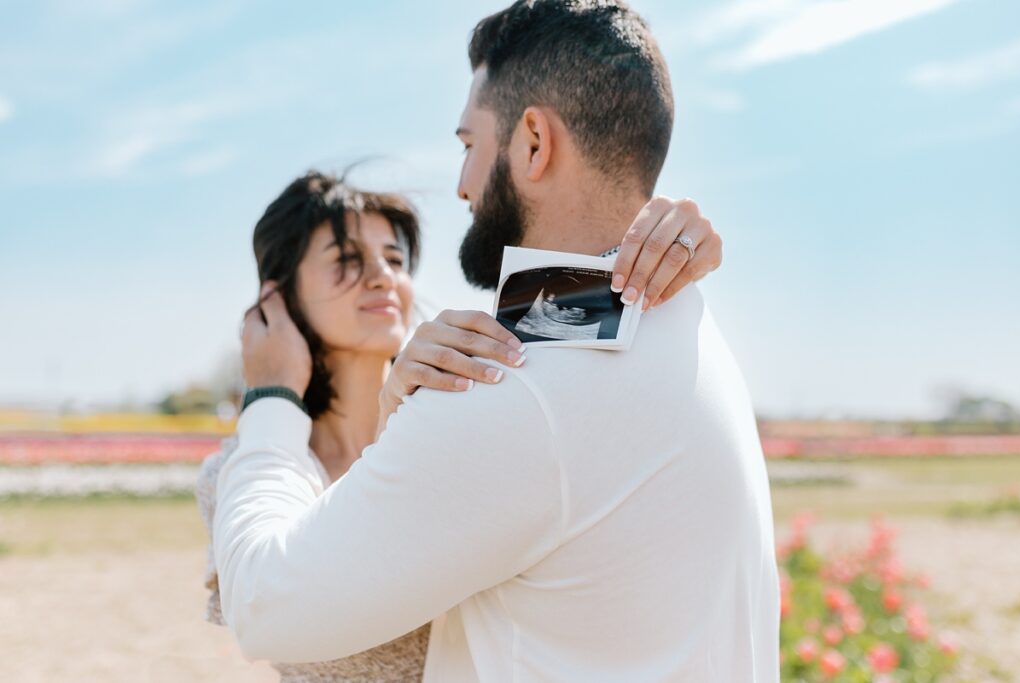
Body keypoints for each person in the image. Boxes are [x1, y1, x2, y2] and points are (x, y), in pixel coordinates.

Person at [211, 1, 776, 680]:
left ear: (533, 142)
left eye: (468, 145)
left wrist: (271, 395)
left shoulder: (506, 387)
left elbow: (265, 606)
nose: (462, 184)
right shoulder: (681, 318)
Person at [197, 166, 722, 681]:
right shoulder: (240, 477)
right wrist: (271, 390)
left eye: (395, 258)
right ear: (276, 298)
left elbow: (573, 325)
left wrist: (658, 241)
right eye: (346, 260)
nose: (382, 275)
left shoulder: (463, 390)